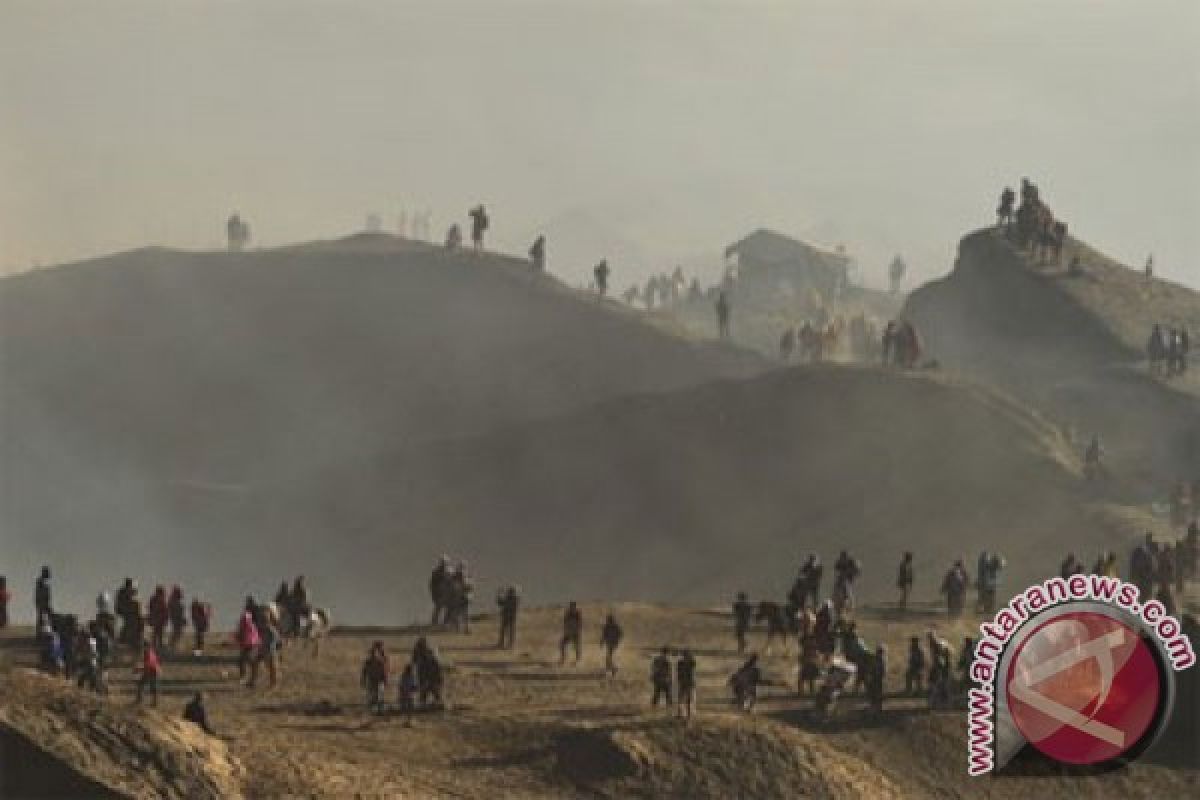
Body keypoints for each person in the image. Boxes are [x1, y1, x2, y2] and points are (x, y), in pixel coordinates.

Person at [235, 597, 261, 686]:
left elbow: (241, 630)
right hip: (253, 641)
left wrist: (238, 637)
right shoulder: (253, 615)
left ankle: (248, 678)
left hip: (249, 642)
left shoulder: (247, 617)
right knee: (249, 661)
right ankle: (251, 678)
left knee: (246, 660)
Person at [361, 641, 390, 715]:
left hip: (379, 680)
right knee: (373, 696)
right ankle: (373, 710)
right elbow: (364, 672)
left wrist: (385, 680)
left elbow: (384, 671)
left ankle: (379, 710)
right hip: (372, 680)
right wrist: (363, 680)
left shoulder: (381, 661)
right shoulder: (369, 662)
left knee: (379, 696)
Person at [134, 641, 161, 706]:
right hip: (152, 670)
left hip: (153, 671)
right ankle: (140, 699)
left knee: (153, 687)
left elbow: (148, 665)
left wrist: (138, 670)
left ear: (146, 646)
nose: (142, 648)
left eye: (143, 647)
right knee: (142, 684)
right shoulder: (149, 652)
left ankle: (154, 702)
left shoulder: (149, 653)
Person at [496, 585, 519, 650]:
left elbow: (504, 604)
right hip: (507, 616)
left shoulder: (515, 599)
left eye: (510, 592)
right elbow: (500, 603)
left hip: (511, 617)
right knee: (503, 630)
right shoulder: (510, 598)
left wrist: (500, 595)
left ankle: (510, 644)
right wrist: (499, 595)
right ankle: (502, 643)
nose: (508, 593)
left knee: (511, 631)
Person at [430, 557, 450, 626]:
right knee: (438, 608)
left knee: (449, 608)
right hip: (440, 594)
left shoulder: (450, 571)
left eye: (445, 563)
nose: (444, 564)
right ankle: (434, 623)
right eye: (443, 563)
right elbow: (432, 585)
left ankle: (446, 622)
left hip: (448, 594)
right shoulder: (436, 572)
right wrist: (434, 595)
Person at [147, 586, 168, 651]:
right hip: (157, 620)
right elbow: (154, 610)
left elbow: (164, 611)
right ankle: (155, 648)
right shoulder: (157, 600)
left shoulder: (158, 599)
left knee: (158, 634)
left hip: (158, 620)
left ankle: (157, 647)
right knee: (157, 634)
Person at [868, 645, 886, 714]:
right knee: (874, 694)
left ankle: (877, 707)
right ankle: (875, 707)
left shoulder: (879, 660)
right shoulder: (877, 660)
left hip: (877, 679)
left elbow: (882, 670)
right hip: (875, 679)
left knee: (877, 694)